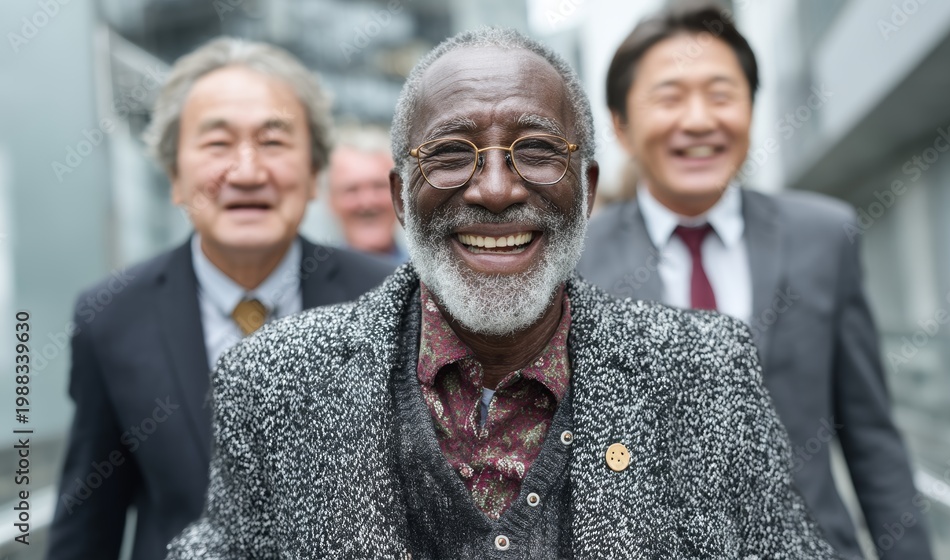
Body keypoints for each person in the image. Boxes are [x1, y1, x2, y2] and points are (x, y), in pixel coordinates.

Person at [166, 28, 839, 559]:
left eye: (539, 151)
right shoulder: (273, 381)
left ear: (588, 189)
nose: (494, 189)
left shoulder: (704, 371)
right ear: (401, 197)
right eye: (452, 153)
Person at [577, 4, 933, 560]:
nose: (698, 120)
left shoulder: (823, 236)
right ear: (621, 124)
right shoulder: (577, 264)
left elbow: (871, 435)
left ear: (750, 108)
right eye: (669, 98)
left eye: (721, 94)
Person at [47, 38, 393, 560]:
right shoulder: (112, 318)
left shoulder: (390, 300)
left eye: (274, 142)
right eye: (217, 144)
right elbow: (86, 525)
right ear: (174, 176)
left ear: (315, 174)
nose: (248, 172)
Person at [326, 140, 408, 264]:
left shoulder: (429, 277)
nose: (367, 202)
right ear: (331, 201)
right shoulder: (308, 280)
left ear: (400, 196)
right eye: (352, 190)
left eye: (379, 186)